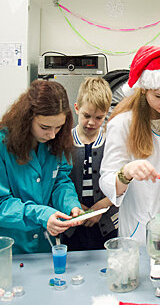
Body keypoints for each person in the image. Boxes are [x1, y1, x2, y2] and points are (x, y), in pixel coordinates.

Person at [99, 46, 160, 244]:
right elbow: (107, 180)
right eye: (159, 96)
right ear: (143, 91)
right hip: (138, 227)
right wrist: (126, 172)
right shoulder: (123, 123)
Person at [0, 80, 83, 254]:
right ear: (26, 118)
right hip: (12, 248)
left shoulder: (55, 142)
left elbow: (60, 181)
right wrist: (42, 215)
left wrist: (71, 205)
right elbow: (2, 204)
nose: (52, 135)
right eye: (45, 127)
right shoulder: (3, 145)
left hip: (45, 246)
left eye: (59, 127)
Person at [61, 77, 119, 250]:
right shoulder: (64, 142)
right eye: (87, 116)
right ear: (77, 108)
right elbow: (59, 182)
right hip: (72, 224)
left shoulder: (111, 142)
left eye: (99, 117)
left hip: (106, 225)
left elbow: (122, 184)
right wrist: (73, 205)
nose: (92, 122)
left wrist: (100, 207)